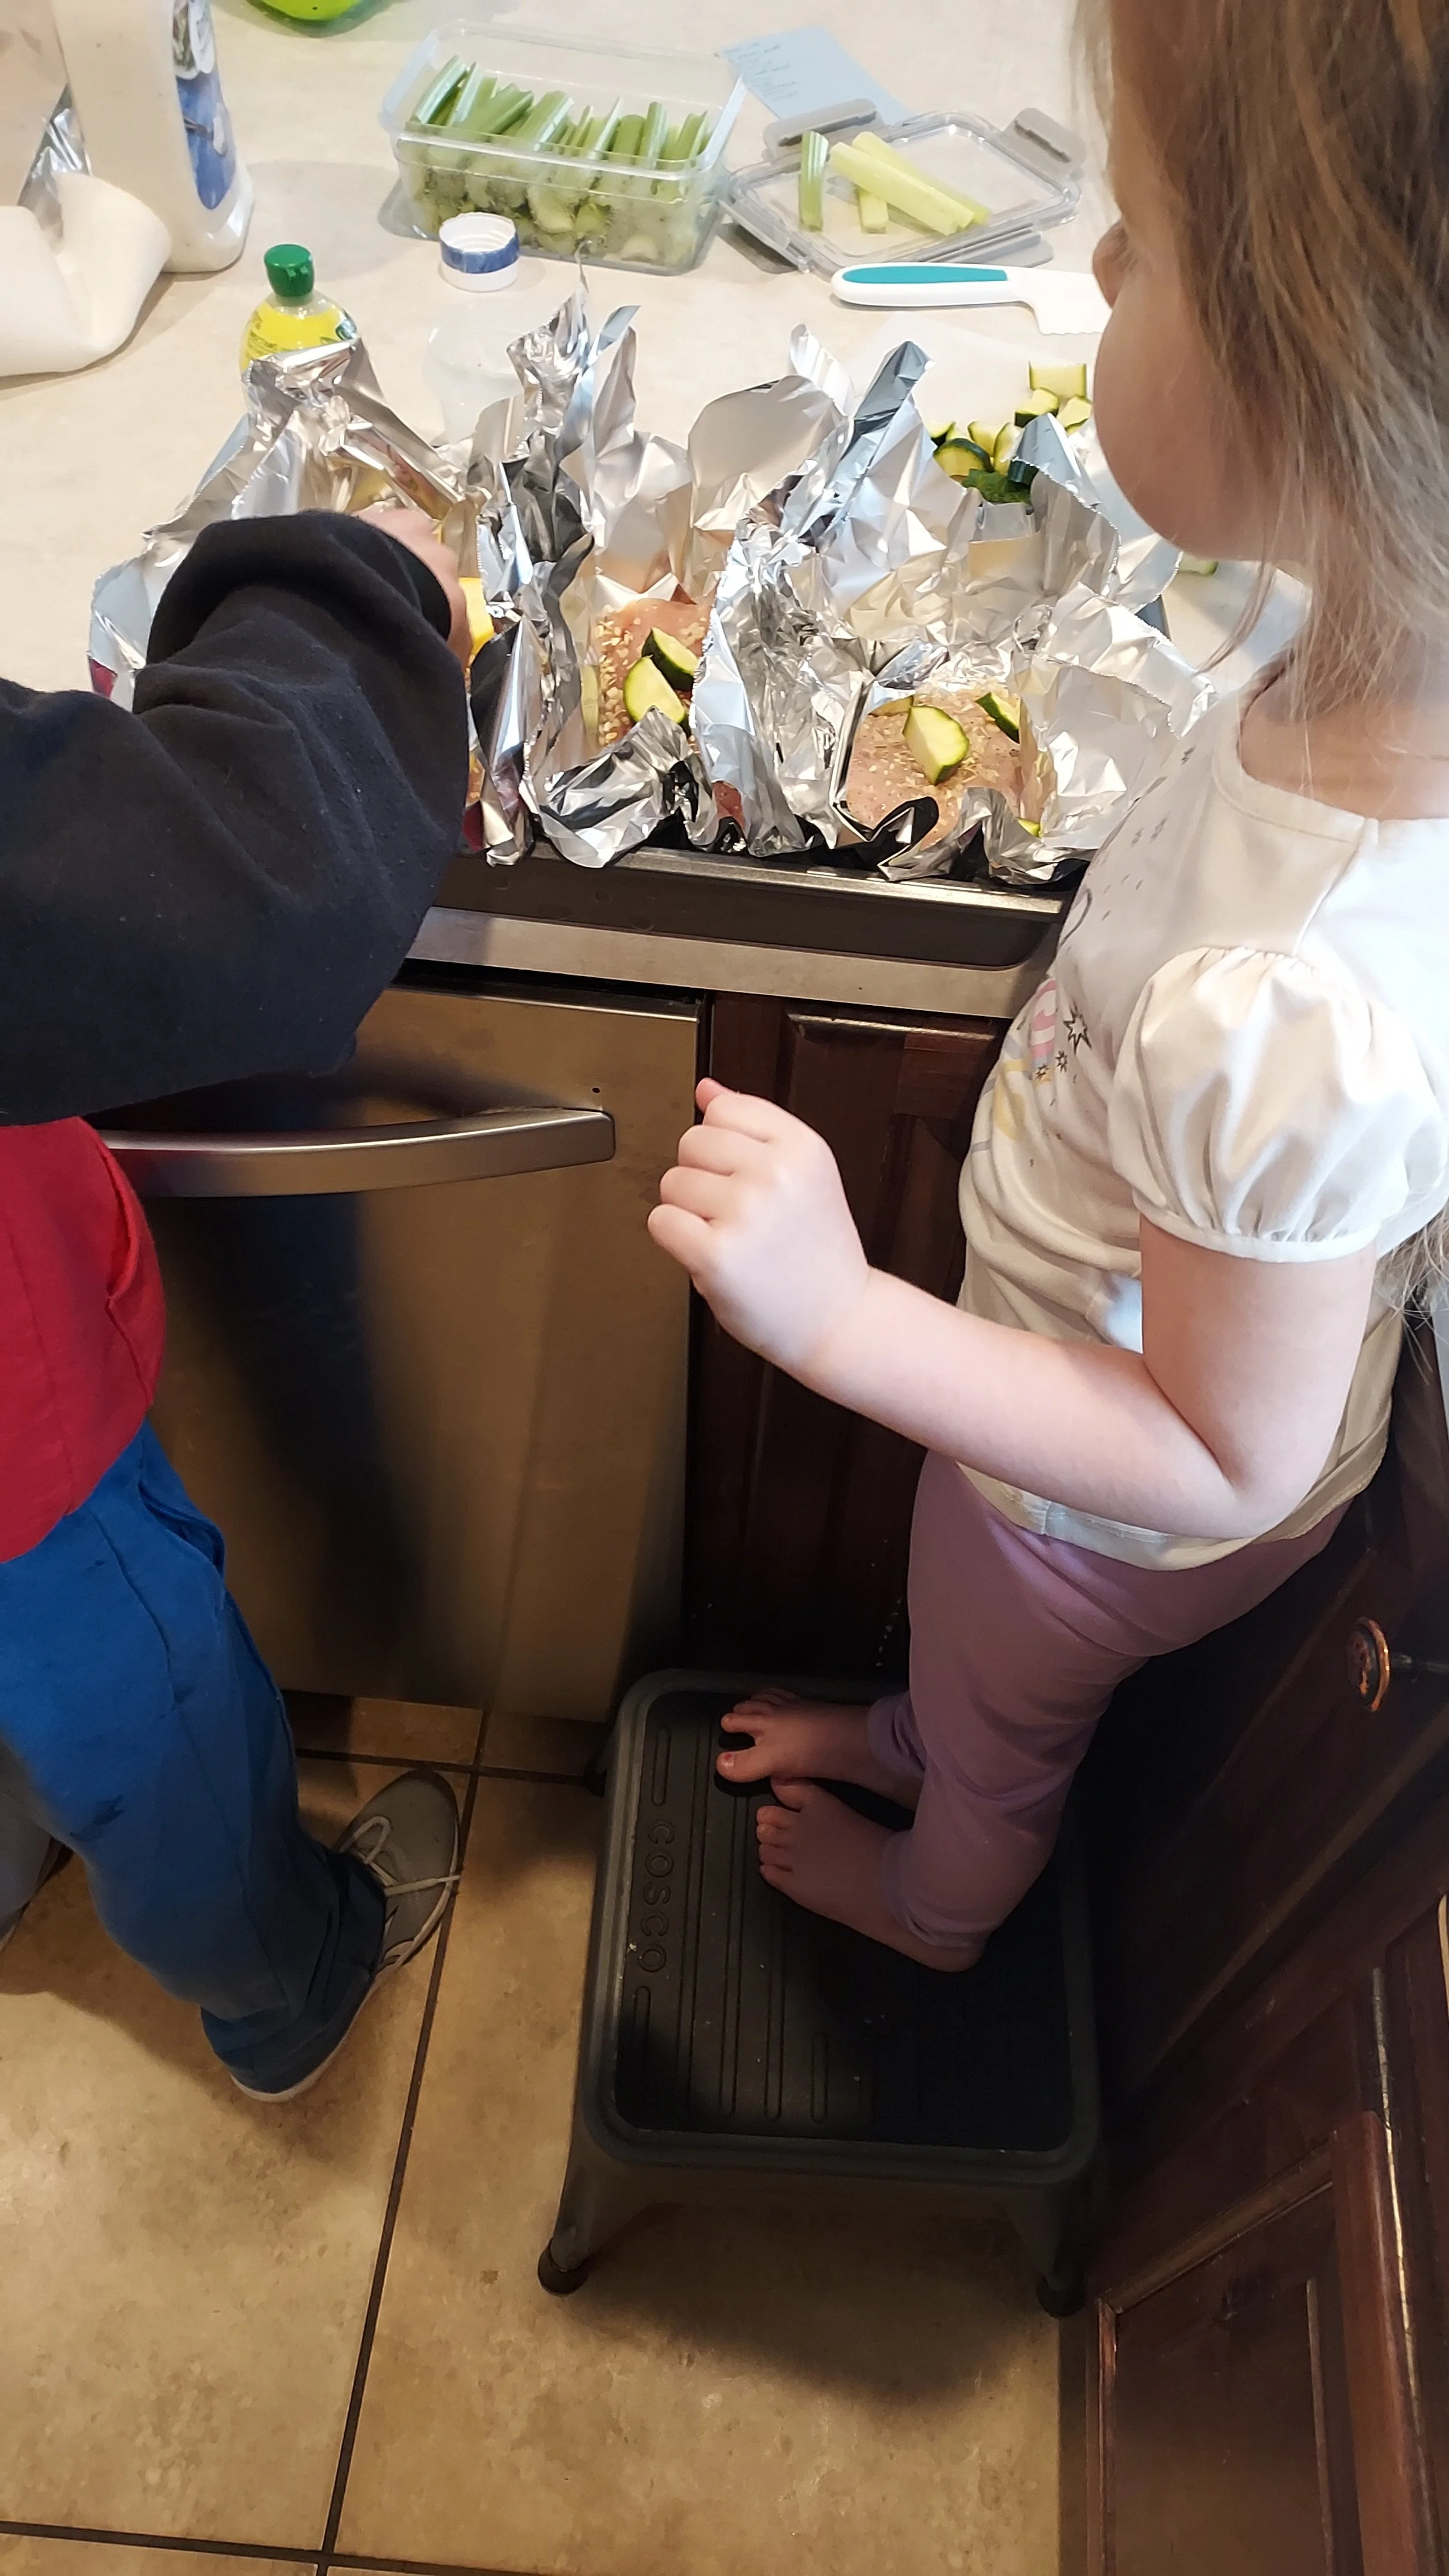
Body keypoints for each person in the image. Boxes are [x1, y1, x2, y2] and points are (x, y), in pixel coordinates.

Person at [649, 0, 1449, 1970]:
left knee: (1009, 1717)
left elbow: (1214, 1450)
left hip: (1096, 1513)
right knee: (963, 1655)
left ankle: (933, 1899)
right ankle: (922, 1723)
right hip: (1081, 1414)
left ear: (1324, 397)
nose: (1095, 265)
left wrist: (837, 1312)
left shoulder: (1285, 1009)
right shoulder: (1375, 649)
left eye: (1146, 241)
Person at [0, 503, 474, 2095]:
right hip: (19, 1460)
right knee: (155, 1726)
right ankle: (288, 1977)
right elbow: (247, 871)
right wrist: (361, 580)